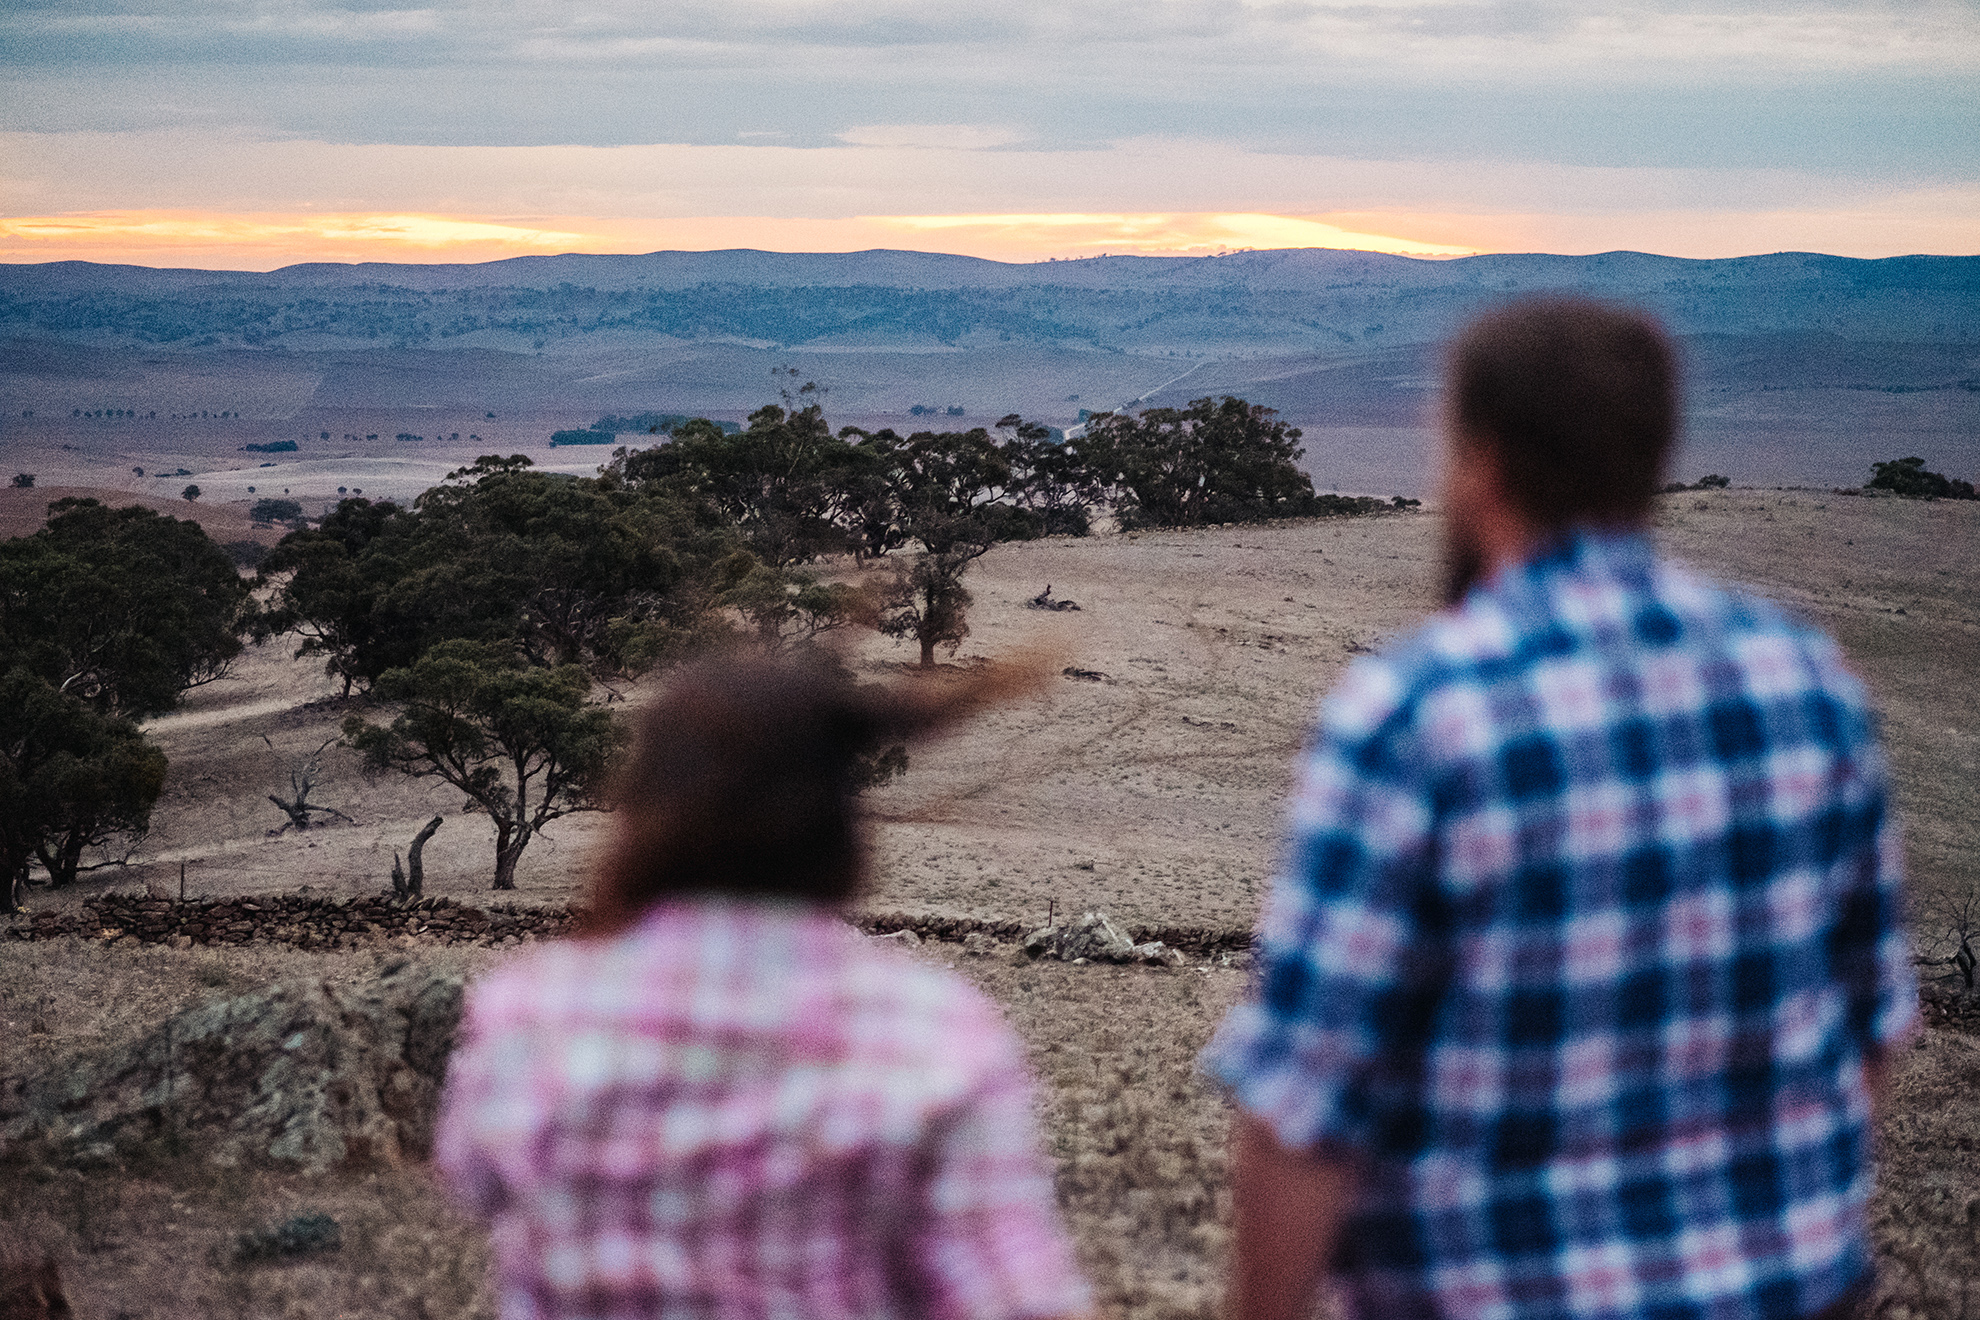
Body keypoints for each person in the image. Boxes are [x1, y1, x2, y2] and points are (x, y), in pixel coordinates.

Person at [1205, 299, 1916, 1320]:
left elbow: (1302, 1111)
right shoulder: (1806, 680)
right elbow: (1877, 1027)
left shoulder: (1418, 712)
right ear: (1650, 454)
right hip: (1790, 1288)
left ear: (1480, 459)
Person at [435, 653, 1089, 1320]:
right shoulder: (935, 1033)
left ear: (642, 807)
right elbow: (1015, 1299)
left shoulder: (527, 1010)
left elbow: (474, 1181)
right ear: (838, 822)